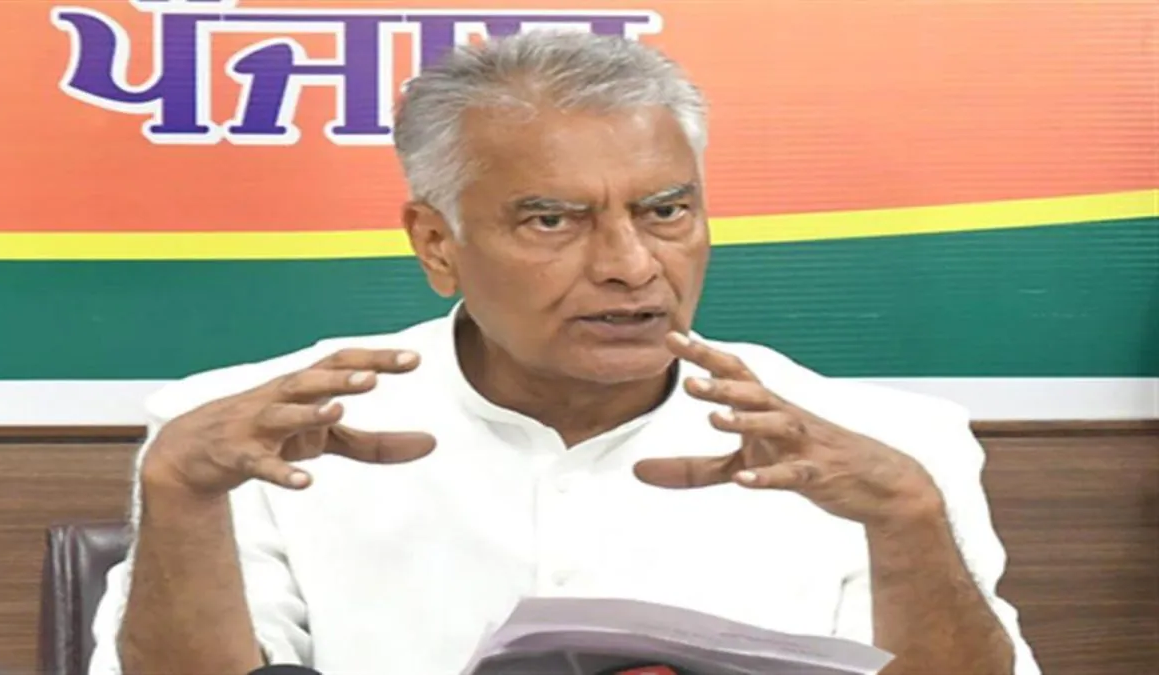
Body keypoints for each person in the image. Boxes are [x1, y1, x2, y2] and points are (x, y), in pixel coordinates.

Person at [89, 31, 1041, 675]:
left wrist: (910, 521)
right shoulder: (253, 434)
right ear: (437, 243)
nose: (632, 265)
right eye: (553, 219)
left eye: (665, 211)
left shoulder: (891, 446)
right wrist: (180, 495)